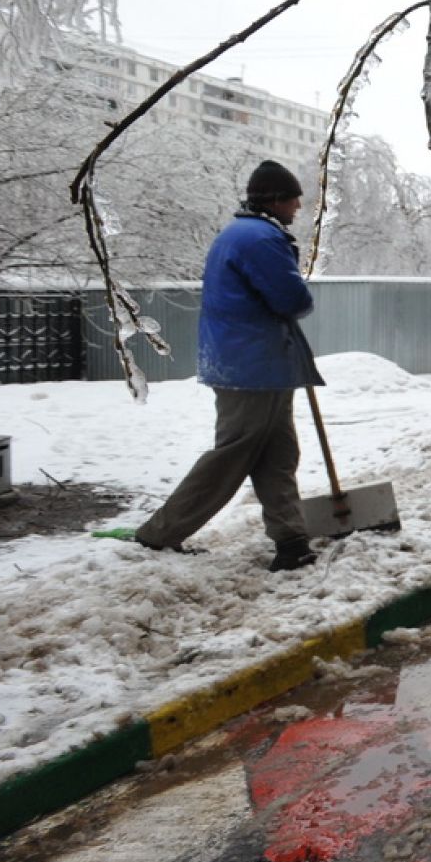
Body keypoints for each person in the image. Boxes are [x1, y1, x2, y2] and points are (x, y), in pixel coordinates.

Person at [133, 160, 326, 571]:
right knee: (232, 455)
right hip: (253, 366)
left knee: (277, 454)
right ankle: (158, 534)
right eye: (294, 198)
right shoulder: (259, 239)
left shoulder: (242, 234)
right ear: (275, 199)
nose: (297, 206)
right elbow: (293, 300)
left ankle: (291, 541)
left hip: (253, 364)